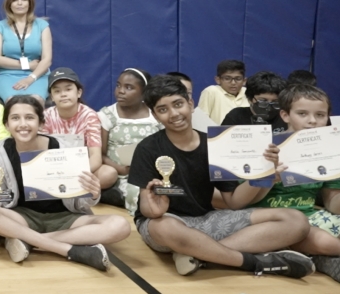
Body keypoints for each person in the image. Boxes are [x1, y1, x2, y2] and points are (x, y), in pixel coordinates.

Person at [128, 75, 314, 278]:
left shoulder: (215, 144)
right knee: (164, 227)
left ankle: (198, 255)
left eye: (178, 104)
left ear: (190, 104)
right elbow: (148, 210)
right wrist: (156, 210)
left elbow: (234, 202)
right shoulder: (147, 148)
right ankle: (253, 263)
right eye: (163, 110)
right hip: (165, 223)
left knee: (296, 220)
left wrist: (262, 176)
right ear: (155, 116)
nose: (173, 114)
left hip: (205, 219)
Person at [0, 95, 129, 271]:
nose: (23, 124)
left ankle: (30, 241)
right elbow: (3, 198)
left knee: (120, 225)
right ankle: (67, 249)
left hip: (66, 217)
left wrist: (93, 194)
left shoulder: (66, 149)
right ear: (6, 125)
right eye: (15, 118)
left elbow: (80, 203)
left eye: (30, 118)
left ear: (41, 124)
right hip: (23, 217)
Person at [225, 84, 340, 282]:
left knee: (322, 236)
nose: (312, 121)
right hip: (269, 218)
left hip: (310, 215)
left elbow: (333, 204)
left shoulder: (329, 151)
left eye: (320, 115)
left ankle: (282, 248)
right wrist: (269, 176)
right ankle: (276, 243)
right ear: (285, 115)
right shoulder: (266, 148)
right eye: (302, 113)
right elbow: (244, 202)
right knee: (326, 243)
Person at [43, 68, 119, 203]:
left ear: (78, 92)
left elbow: (95, 157)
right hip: (54, 170)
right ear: (52, 97)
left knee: (109, 173)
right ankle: (75, 193)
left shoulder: (90, 116)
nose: (63, 94)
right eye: (57, 91)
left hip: (81, 170)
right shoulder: (46, 116)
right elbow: (41, 153)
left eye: (68, 89)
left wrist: (75, 174)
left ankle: (69, 193)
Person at [97, 68, 162, 214]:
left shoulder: (156, 115)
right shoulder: (107, 115)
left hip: (151, 170)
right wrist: (119, 168)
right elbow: (99, 154)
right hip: (122, 173)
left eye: (129, 87)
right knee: (137, 192)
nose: (120, 91)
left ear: (144, 92)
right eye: (118, 85)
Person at [0, 0, 52, 101]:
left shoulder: (42, 26)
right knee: (13, 102)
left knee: (36, 101)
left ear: (30, 3)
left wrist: (30, 78)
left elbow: (47, 60)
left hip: (37, 75)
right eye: (15, 0)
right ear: (9, 4)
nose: (19, 3)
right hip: (7, 75)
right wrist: (27, 65)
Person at [220, 71, 288, 134]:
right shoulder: (236, 116)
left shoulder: (285, 117)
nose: (269, 106)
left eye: (275, 102)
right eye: (263, 101)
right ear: (250, 99)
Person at [197, 59, 248, 124]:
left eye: (238, 79)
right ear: (218, 79)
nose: (233, 83)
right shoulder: (211, 91)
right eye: (227, 78)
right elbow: (201, 120)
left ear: (244, 81)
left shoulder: (248, 93)